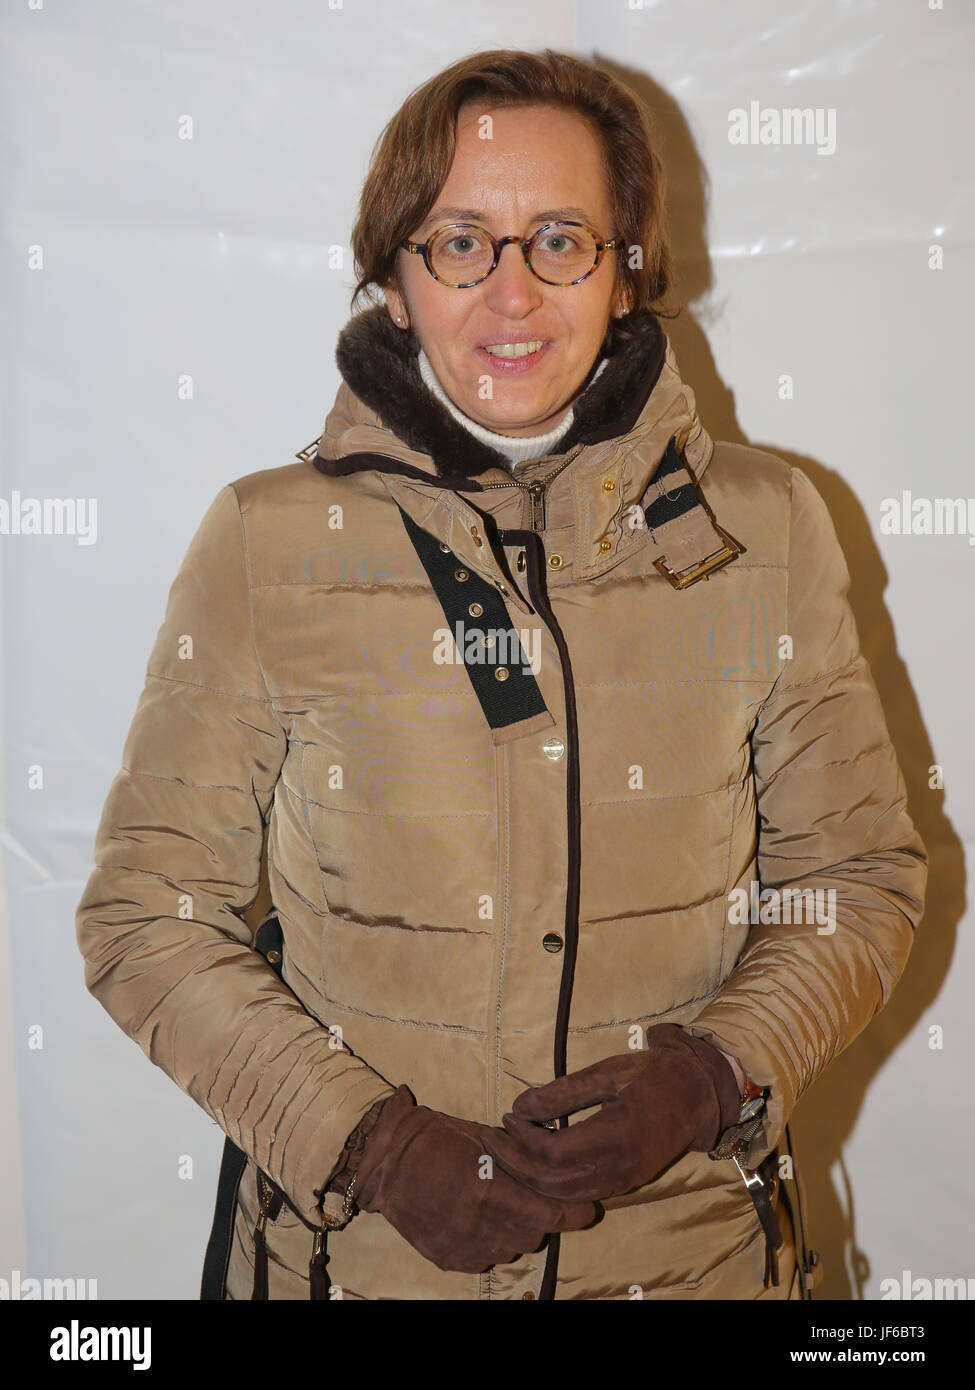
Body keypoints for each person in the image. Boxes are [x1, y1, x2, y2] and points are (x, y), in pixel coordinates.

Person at [75, 48, 928, 1302]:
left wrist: (718, 1070)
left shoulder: (769, 528)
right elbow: (146, 918)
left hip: (693, 1268)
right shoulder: (265, 541)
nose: (513, 292)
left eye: (562, 240)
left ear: (630, 267)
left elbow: (855, 881)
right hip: (351, 1273)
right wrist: (372, 1143)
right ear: (396, 276)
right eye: (461, 241)